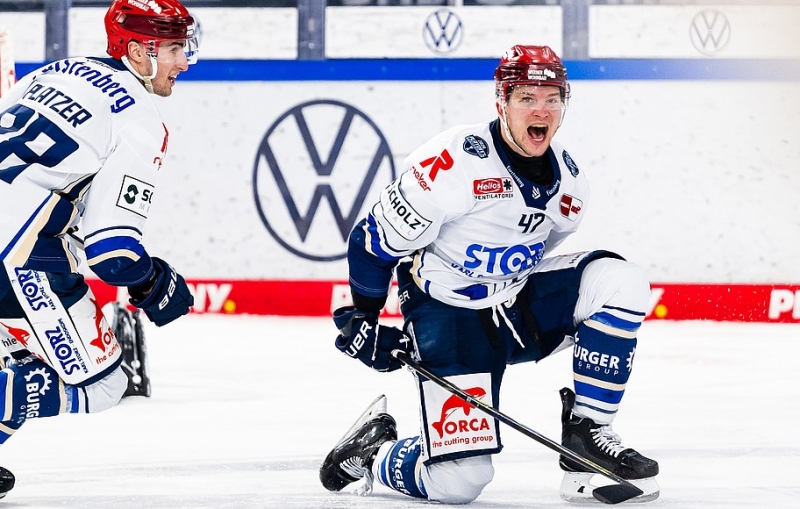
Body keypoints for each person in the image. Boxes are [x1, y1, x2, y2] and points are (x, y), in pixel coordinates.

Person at [320, 45, 660, 504]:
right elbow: (371, 241)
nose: (541, 110)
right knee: (460, 484)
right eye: (525, 98)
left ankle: (586, 438)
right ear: (501, 103)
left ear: (565, 104)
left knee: (621, 282)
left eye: (552, 98)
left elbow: (540, 255)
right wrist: (364, 317)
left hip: (516, 309)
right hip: (448, 315)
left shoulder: (570, 183)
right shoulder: (452, 163)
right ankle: (375, 450)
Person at [0, 0, 198, 498]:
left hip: (14, 238)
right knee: (102, 385)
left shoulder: (54, 72)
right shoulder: (139, 118)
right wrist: (154, 283)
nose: (185, 61)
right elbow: (112, 251)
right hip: (18, 254)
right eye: (174, 48)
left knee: (20, 364)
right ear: (137, 51)